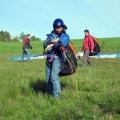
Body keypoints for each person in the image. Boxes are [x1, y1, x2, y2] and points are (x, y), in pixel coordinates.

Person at [44, 18, 70, 98]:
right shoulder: (50, 35)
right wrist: (53, 41)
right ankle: (51, 95)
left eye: (60, 28)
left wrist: (52, 44)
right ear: (54, 28)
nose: (58, 30)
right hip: (49, 58)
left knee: (54, 77)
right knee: (48, 79)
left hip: (58, 57)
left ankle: (57, 98)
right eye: (57, 28)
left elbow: (61, 44)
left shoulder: (65, 36)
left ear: (62, 27)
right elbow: (45, 43)